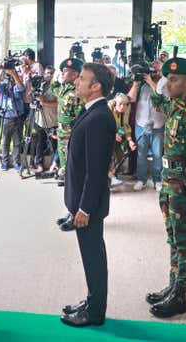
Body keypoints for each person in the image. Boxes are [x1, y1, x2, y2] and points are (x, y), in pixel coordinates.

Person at [144, 52, 186, 318]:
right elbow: (157, 100)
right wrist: (145, 79)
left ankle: (180, 294)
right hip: (169, 186)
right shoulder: (175, 107)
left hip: (184, 190)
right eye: (167, 79)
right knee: (173, 239)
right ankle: (173, 285)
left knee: (184, 242)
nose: (167, 84)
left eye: (173, 80)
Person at [60, 63, 116, 328]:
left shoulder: (99, 117)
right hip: (83, 200)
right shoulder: (91, 111)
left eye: (82, 79)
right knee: (90, 255)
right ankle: (92, 300)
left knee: (94, 257)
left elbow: (95, 172)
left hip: (89, 205)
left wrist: (84, 209)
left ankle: (95, 312)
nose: (77, 82)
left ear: (96, 87)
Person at [127, 60, 167, 192]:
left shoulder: (164, 83)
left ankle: (157, 180)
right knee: (141, 154)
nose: (154, 73)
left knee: (157, 155)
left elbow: (163, 97)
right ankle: (141, 179)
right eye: (152, 71)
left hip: (158, 125)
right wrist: (136, 83)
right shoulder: (141, 85)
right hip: (141, 124)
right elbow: (130, 99)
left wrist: (151, 82)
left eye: (157, 71)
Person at [51, 58, 84, 182]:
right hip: (62, 132)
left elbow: (80, 117)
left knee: (73, 159)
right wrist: (55, 77)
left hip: (71, 133)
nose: (62, 73)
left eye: (65, 71)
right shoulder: (63, 89)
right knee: (63, 156)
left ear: (75, 74)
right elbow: (54, 88)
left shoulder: (77, 93)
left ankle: (73, 180)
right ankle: (65, 176)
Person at [0, 65, 25, 170]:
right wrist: (2, 70)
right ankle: (5, 162)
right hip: (6, 117)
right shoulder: (3, 87)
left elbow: (21, 87)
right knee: (5, 142)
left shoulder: (16, 87)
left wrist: (13, 74)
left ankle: (16, 162)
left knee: (17, 142)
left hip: (17, 117)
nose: (9, 80)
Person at [32, 66, 58, 173]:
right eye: (47, 73)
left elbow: (59, 103)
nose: (49, 75)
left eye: (51, 73)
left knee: (54, 144)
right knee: (39, 143)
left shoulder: (56, 87)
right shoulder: (40, 85)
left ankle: (54, 165)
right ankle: (39, 164)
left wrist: (44, 102)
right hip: (40, 120)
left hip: (52, 120)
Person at [107, 93, 136, 186]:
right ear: (115, 103)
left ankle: (112, 174)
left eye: (125, 104)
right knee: (108, 155)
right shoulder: (107, 108)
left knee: (122, 152)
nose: (123, 106)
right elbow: (102, 125)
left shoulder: (125, 111)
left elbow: (125, 127)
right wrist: (113, 134)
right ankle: (109, 177)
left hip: (118, 136)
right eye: (120, 104)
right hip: (105, 136)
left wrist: (130, 141)